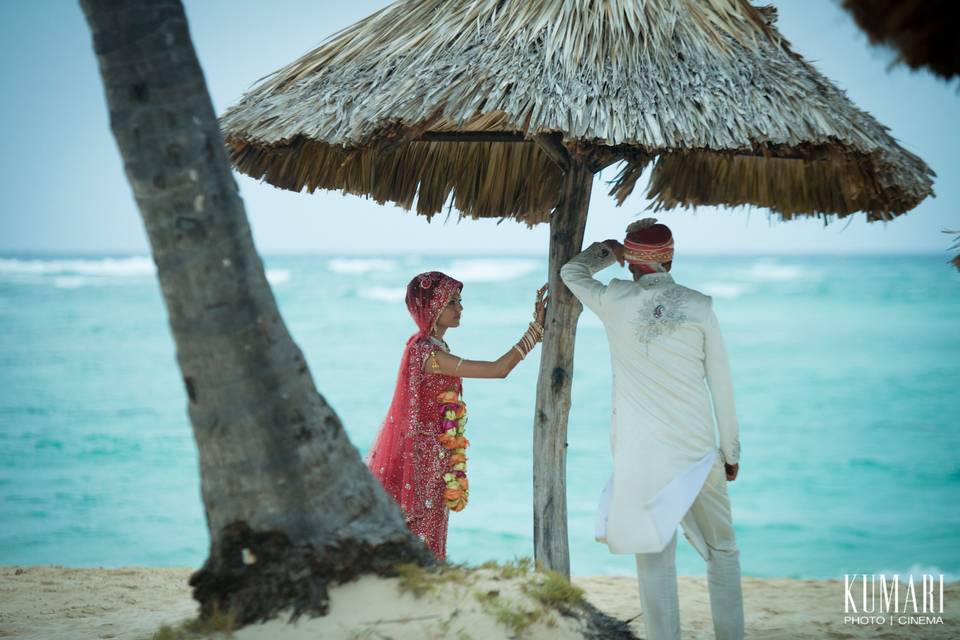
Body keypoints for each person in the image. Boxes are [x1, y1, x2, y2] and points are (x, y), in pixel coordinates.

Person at [560, 218, 744, 640]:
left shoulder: (616, 299)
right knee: (723, 551)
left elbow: (571, 272)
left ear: (631, 263)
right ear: (671, 256)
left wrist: (607, 250)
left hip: (642, 457)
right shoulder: (700, 306)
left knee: (654, 555)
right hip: (697, 453)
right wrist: (730, 452)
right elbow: (723, 386)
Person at [365, 271, 548, 562]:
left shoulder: (433, 349)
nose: (460, 308)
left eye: (459, 301)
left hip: (436, 455)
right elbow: (496, 370)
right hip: (426, 461)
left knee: (430, 530)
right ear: (433, 307)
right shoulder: (428, 355)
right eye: (452, 302)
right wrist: (534, 332)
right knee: (424, 533)